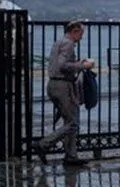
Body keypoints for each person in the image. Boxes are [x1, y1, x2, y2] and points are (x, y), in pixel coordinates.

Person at [33, 21, 94, 166]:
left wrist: (77, 62)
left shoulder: (58, 42)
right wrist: (82, 65)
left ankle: (71, 156)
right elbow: (63, 65)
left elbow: (59, 63)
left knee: (69, 120)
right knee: (72, 123)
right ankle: (43, 144)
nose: (82, 38)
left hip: (53, 84)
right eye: (81, 34)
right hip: (63, 86)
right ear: (75, 31)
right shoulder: (68, 44)